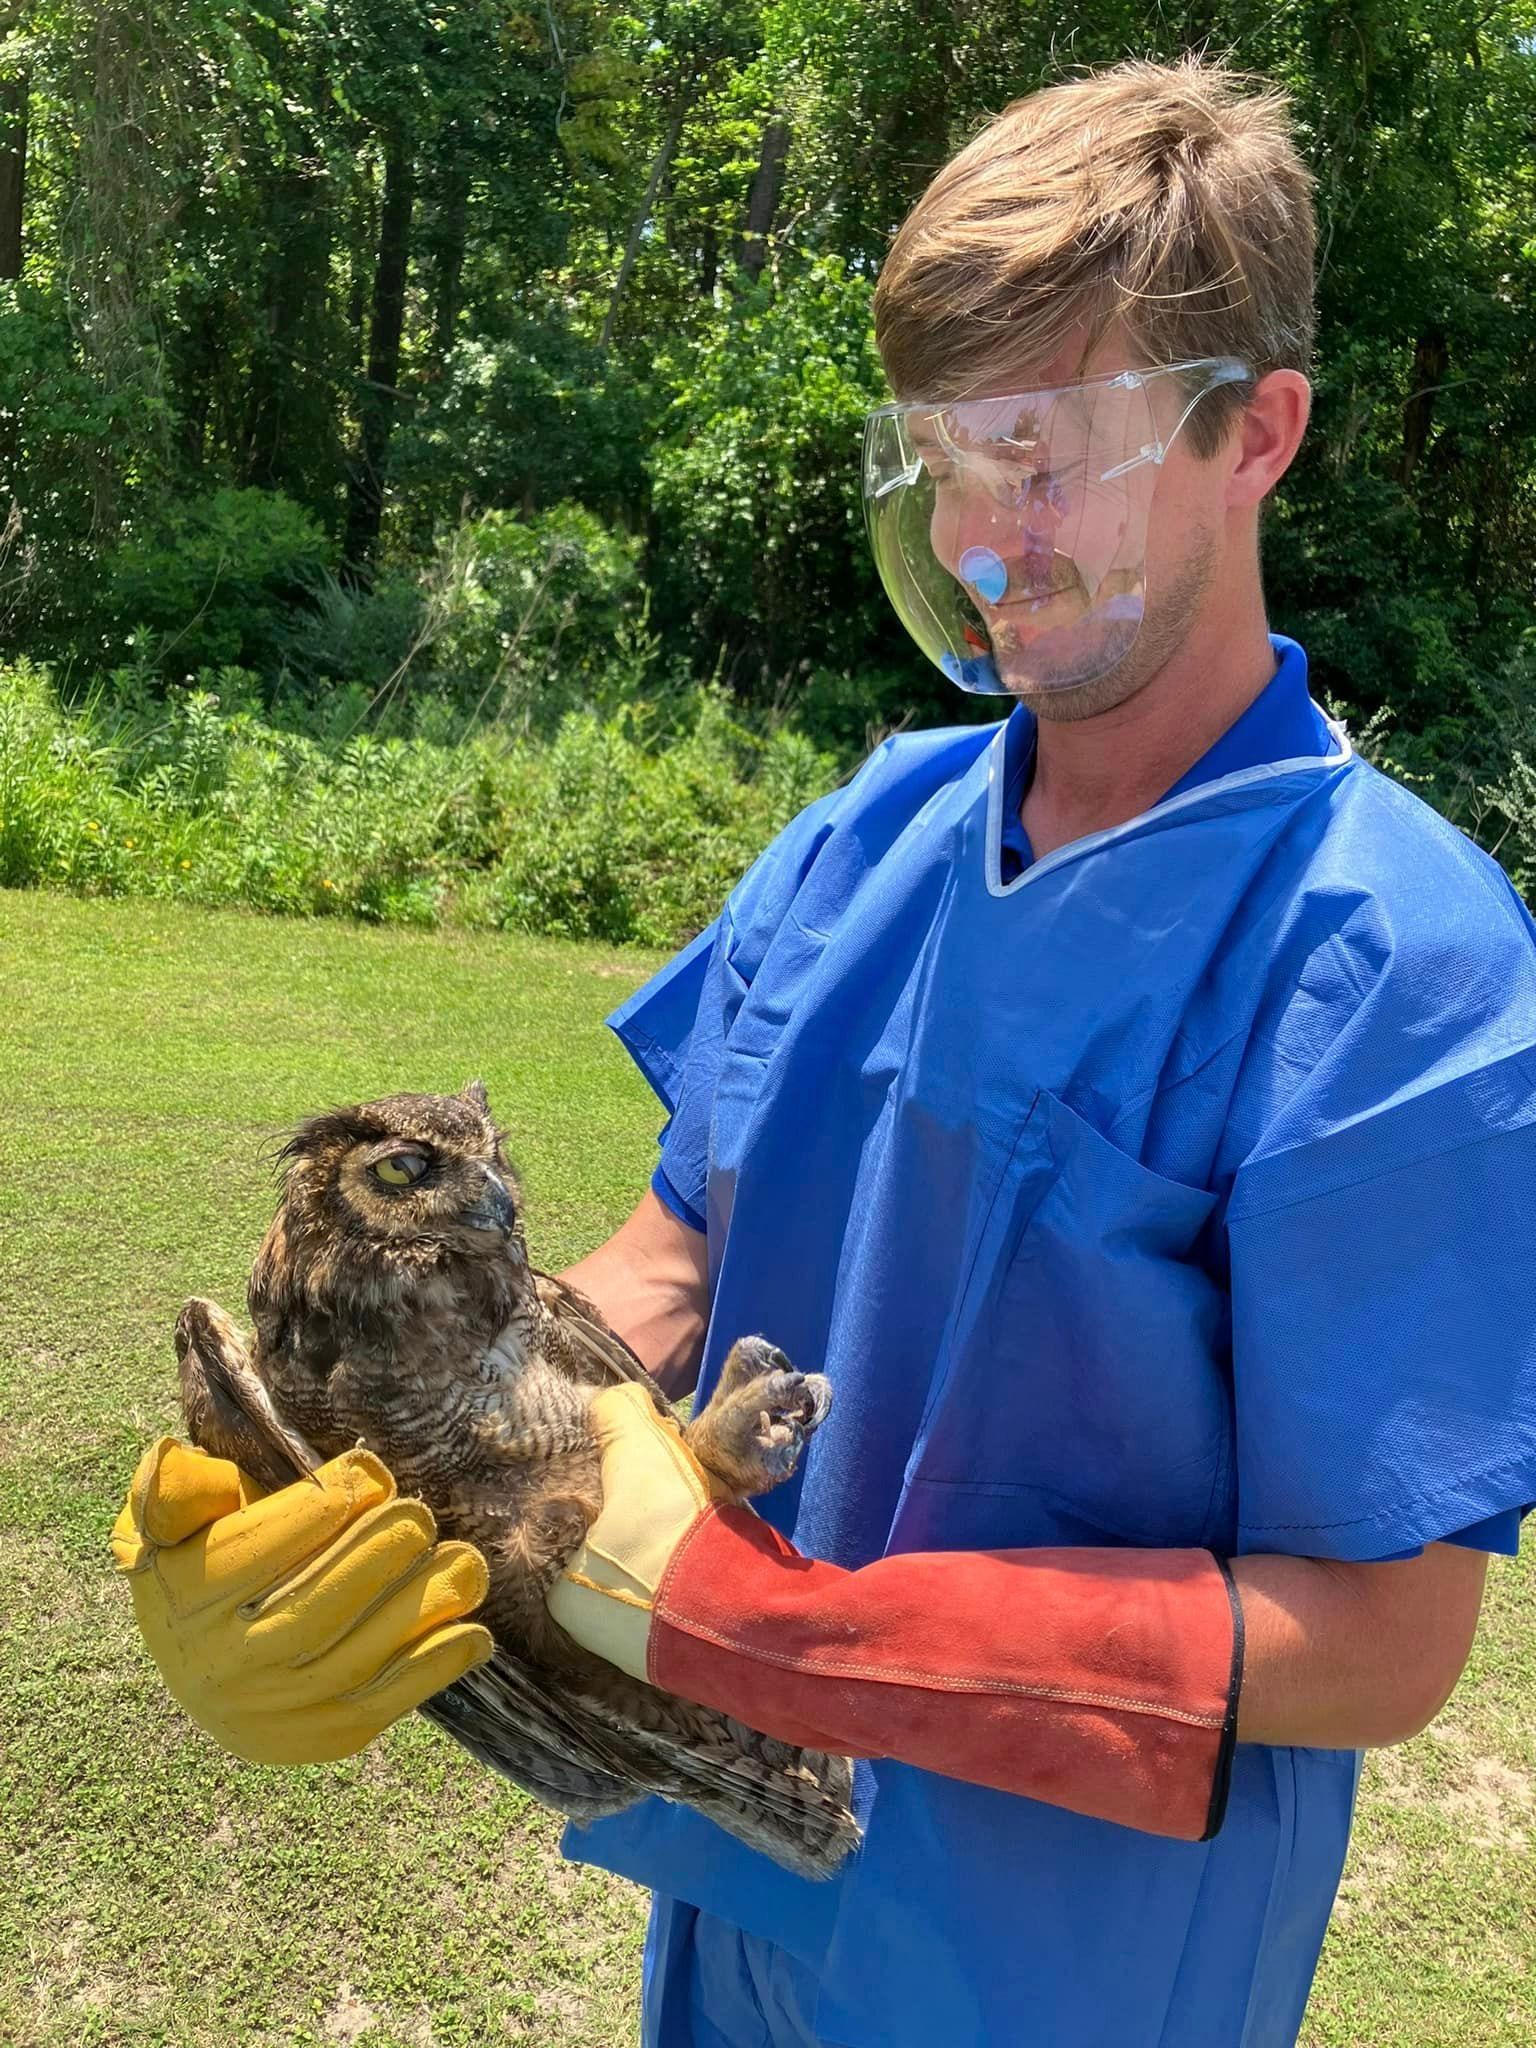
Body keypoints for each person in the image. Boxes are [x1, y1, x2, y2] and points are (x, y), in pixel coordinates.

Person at [112, 56, 1536, 2048]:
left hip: (1074, 1954)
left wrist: (802, 1634)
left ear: (1258, 434)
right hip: (741, 1862)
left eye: (1047, 450)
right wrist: (340, 1478)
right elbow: (666, 1272)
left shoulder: (1396, 953)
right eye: (942, 455)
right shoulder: (858, 835)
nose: (977, 530)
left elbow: (1383, 1639)